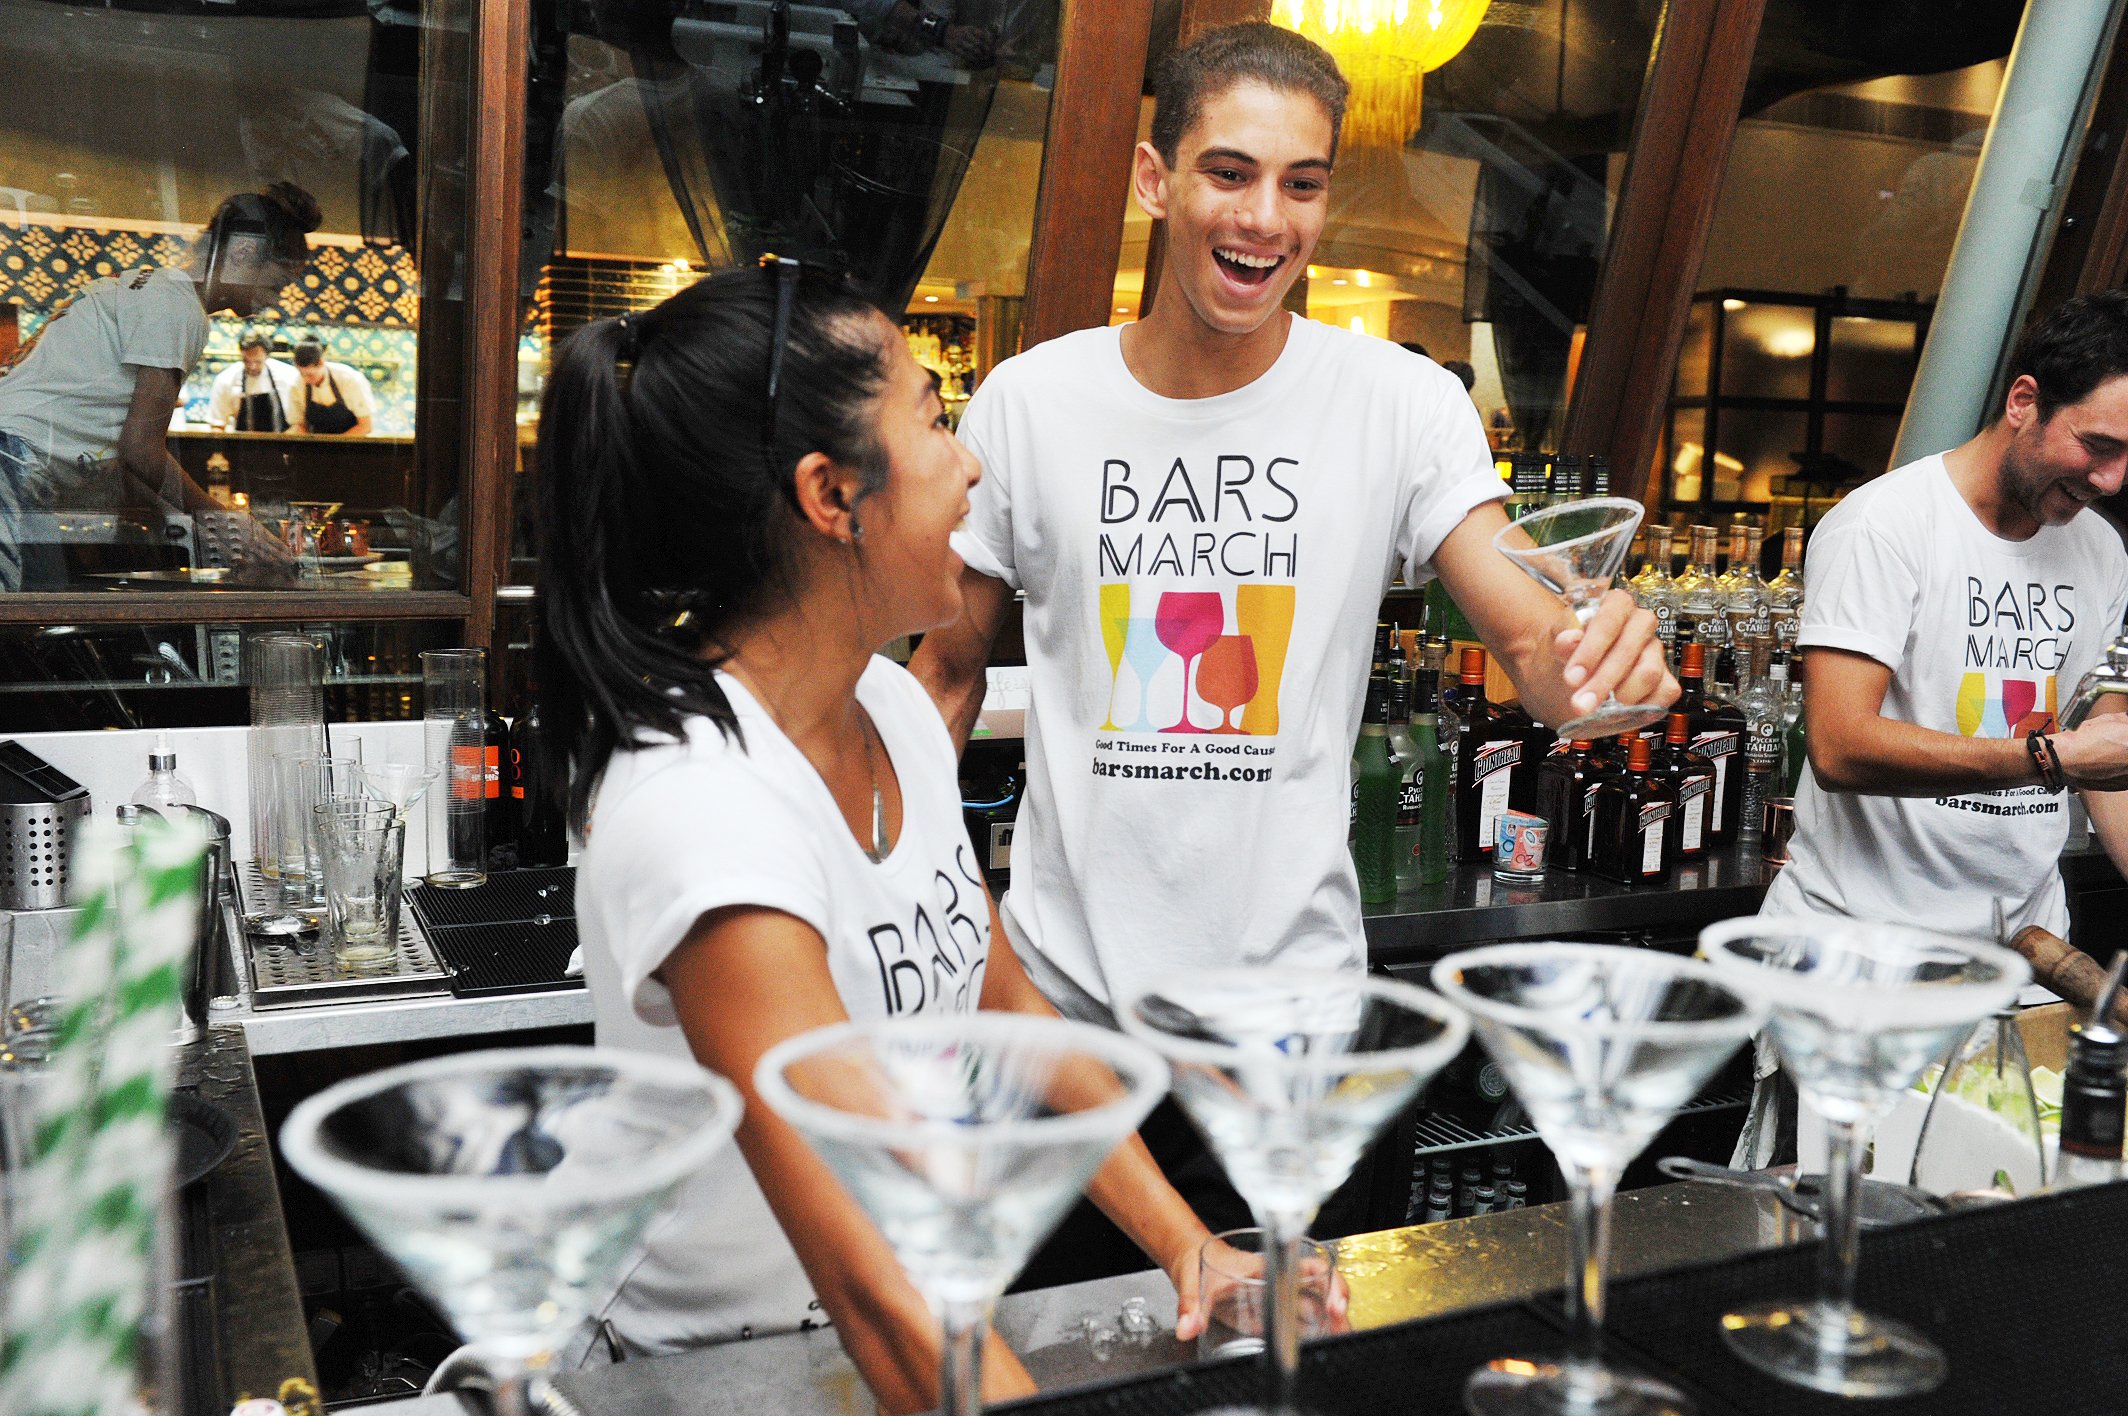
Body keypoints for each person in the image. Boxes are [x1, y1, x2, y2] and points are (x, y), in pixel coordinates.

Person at [908, 22, 1671, 1246]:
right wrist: (910, 909)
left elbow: (1535, 643)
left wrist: (1601, 663)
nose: (1264, 218)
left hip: (1289, 1044)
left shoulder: (1399, 403)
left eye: (1301, 185)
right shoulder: (1032, 401)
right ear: (1156, 181)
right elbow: (940, 676)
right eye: (1229, 173)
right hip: (1062, 1039)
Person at [534, 263, 1230, 1409]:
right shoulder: (699, 806)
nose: (970, 462)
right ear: (830, 495)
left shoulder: (896, 710)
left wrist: (1184, 1243)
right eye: (931, 414)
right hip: (706, 1376)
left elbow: (1000, 1002)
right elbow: (872, 1271)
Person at [1739, 291, 2128, 1165]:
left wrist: (2082, 760)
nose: (2112, 479)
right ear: (2024, 401)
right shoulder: (1885, 527)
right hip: (1863, 964)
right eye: (2097, 447)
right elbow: (1840, 745)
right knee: (1846, 1227)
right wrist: (2051, 756)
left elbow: (2107, 759)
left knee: (1989, 1232)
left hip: (2028, 961)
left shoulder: (2101, 552)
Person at [0, 182, 315, 591]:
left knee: (40, 624)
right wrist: (237, 528)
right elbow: (141, 450)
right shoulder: (179, 308)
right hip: (11, 466)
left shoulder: (151, 288)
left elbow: (130, 463)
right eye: (276, 284)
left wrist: (198, 527)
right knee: (25, 629)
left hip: (16, 465)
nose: (274, 300)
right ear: (243, 254)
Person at [207, 331, 299, 431]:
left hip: (282, 441)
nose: (252, 367)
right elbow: (217, 425)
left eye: (257, 361)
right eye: (246, 361)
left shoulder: (288, 376)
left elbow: (299, 424)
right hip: (243, 443)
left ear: (267, 356)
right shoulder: (226, 380)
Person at [290, 338, 375, 436]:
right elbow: (299, 425)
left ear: (321, 362)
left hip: (352, 443)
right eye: (302, 374)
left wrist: (336, 446)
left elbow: (365, 425)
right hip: (317, 445)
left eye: (310, 375)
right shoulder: (297, 385)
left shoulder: (349, 380)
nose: (306, 380)